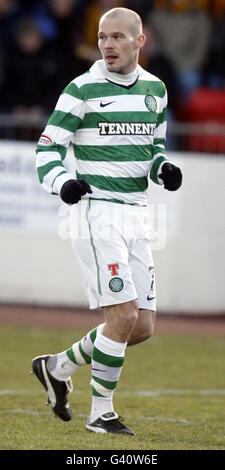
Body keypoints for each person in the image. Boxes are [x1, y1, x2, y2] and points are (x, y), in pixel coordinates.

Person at [31, 7, 182, 435]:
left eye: (117, 37)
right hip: (97, 213)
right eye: (102, 37)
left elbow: (154, 150)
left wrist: (162, 170)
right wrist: (63, 183)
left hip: (137, 213)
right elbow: (47, 149)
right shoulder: (81, 89)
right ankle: (101, 414)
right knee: (123, 315)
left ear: (140, 41)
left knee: (141, 326)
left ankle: (57, 366)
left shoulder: (156, 90)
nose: (108, 45)